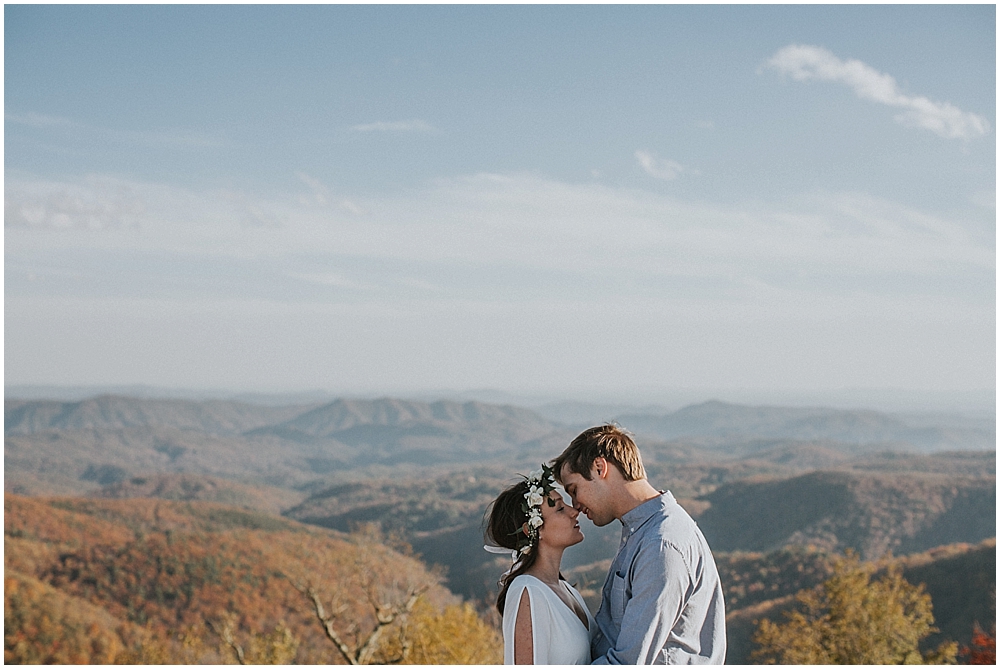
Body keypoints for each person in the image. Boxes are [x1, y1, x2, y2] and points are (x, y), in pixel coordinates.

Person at [552, 425, 726, 664]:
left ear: (600, 468)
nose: (575, 505)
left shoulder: (662, 545)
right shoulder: (641, 532)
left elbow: (628, 662)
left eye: (574, 489)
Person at [485, 464, 597, 664]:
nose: (574, 511)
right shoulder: (527, 591)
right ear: (533, 530)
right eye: (561, 509)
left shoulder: (566, 589)